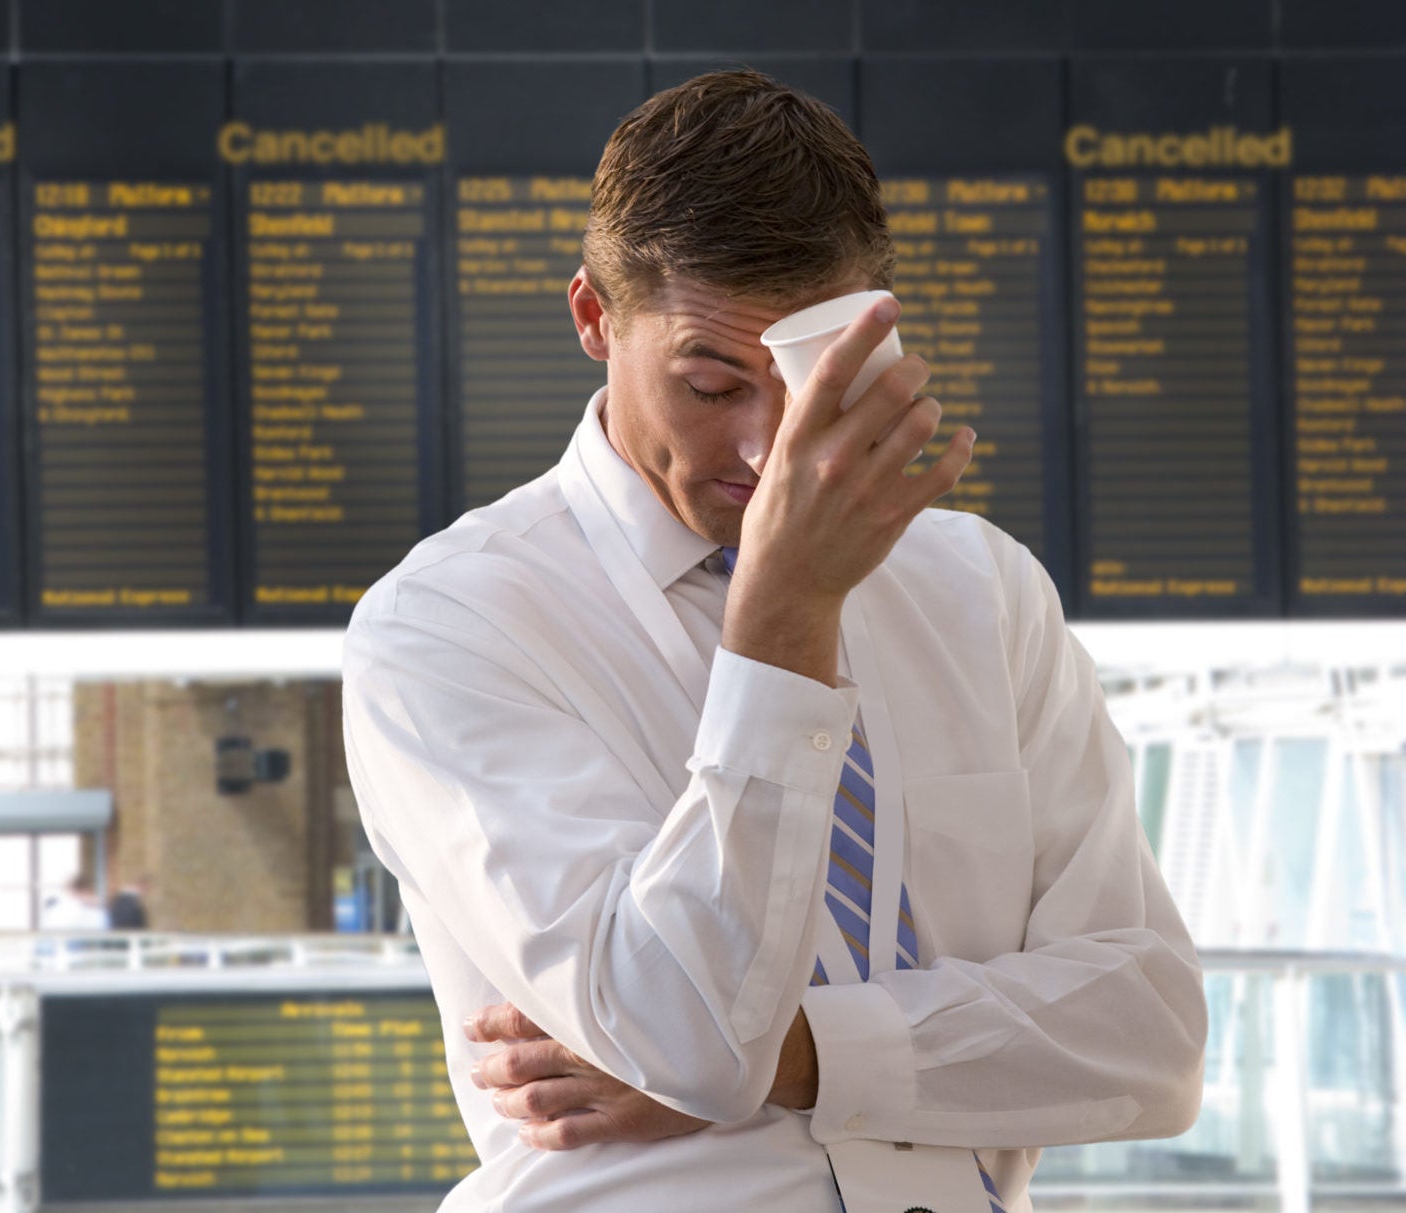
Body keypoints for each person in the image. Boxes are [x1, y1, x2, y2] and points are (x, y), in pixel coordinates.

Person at [341, 70, 1207, 1211]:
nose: (764, 447)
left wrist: (796, 1055)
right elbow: (686, 1030)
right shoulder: (450, 626)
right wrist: (784, 620)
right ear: (593, 318)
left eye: (809, 377)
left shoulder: (976, 588)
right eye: (709, 384)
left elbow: (1149, 1042)